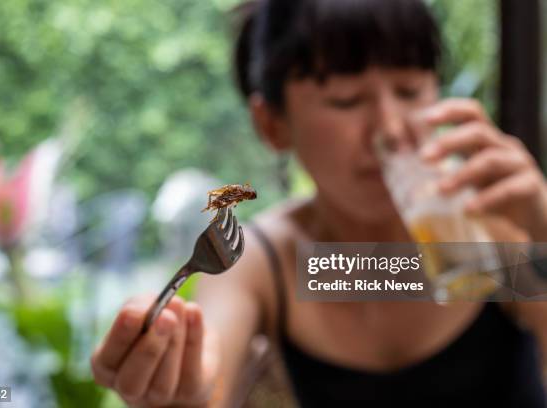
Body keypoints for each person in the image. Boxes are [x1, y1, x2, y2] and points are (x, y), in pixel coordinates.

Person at [91, 0, 547, 406]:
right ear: (271, 125)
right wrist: (180, 387)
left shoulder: (491, 225)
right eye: (346, 100)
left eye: (409, 90)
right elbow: (210, 378)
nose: (390, 127)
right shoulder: (265, 262)